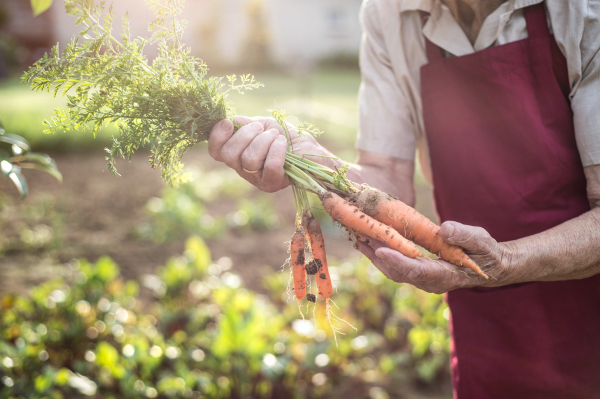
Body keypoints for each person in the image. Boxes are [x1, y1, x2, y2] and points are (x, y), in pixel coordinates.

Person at [207, 0, 600, 397]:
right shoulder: (388, 12)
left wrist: (506, 261)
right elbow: (385, 175)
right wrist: (311, 158)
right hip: (479, 306)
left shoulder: (584, 11)